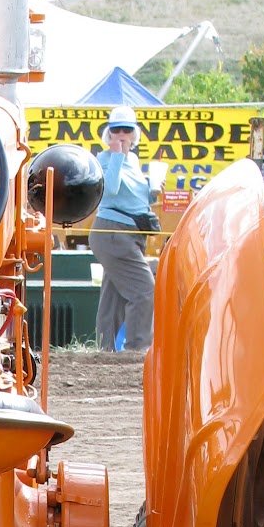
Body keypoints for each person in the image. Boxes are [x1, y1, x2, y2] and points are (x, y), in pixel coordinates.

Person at [90, 105, 156, 354]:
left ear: (134, 134)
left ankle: (105, 351)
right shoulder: (103, 160)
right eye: (116, 129)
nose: (121, 134)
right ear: (108, 133)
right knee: (144, 290)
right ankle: (138, 348)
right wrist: (116, 155)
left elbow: (136, 198)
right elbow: (110, 191)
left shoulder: (134, 160)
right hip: (112, 232)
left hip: (131, 233)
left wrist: (153, 191)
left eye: (126, 130)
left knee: (113, 297)